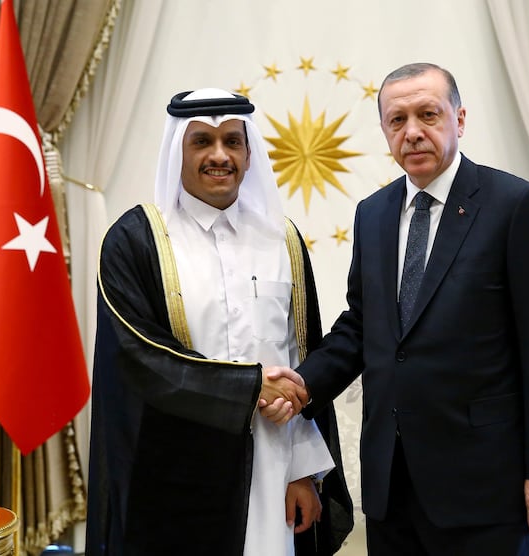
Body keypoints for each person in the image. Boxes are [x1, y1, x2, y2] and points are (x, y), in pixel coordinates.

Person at [264, 62, 529, 555]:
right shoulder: (374, 213)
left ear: (459, 118)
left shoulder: (514, 205)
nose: (412, 132)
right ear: (384, 130)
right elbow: (362, 325)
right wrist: (301, 385)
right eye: (397, 120)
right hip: (393, 482)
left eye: (428, 114)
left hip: (485, 485)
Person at [86, 88, 352, 556]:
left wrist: (304, 471)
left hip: (273, 472)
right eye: (202, 142)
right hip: (175, 476)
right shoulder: (137, 240)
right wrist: (251, 387)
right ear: (177, 152)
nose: (219, 155)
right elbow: (142, 361)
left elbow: (299, 355)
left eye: (233, 141)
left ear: (250, 154)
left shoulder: (281, 239)